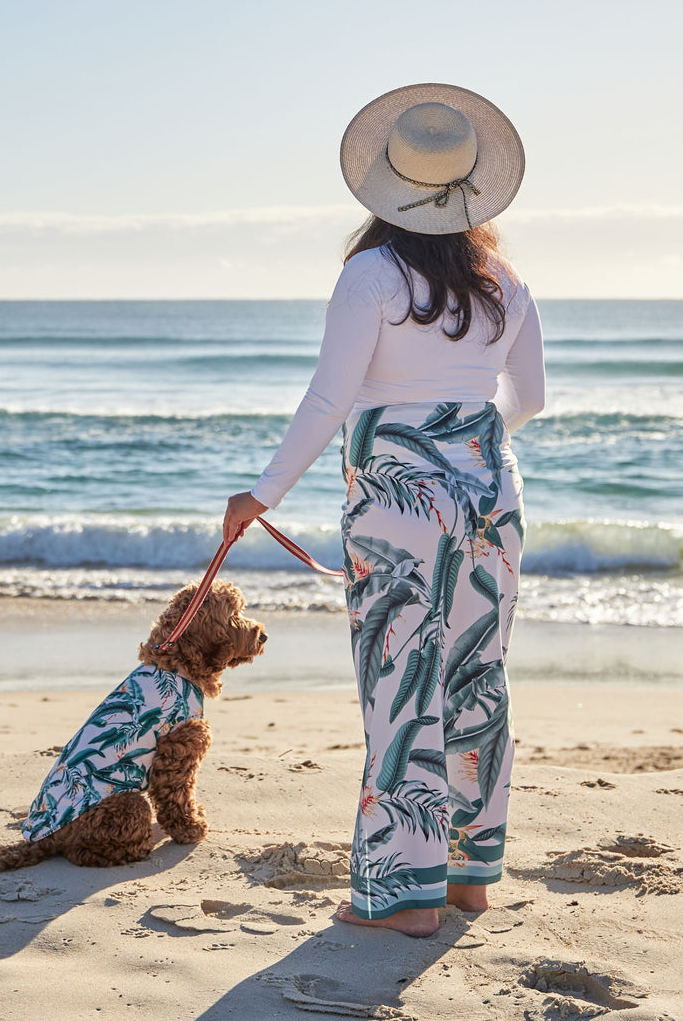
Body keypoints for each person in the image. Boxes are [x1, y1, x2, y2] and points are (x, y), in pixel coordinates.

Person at [223, 83, 545, 937]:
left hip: (399, 501)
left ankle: (404, 902)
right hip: (494, 489)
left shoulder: (369, 274)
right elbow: (531, 398)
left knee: (402, 681)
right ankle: (470, 881)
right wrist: (461, 438)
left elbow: (330, 398)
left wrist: (263, 494)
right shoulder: (503, 278)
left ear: (386, 188)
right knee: (478, 673)